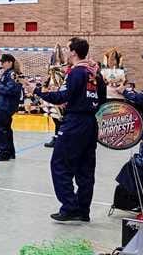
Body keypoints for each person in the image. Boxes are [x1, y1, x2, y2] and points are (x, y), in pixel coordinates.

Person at [26, 37, 106, 222]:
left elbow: (62, 96)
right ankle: (83, 210)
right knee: (85, 169)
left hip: (74, 123)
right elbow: (102, 100)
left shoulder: (76, 72)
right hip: (90, 123)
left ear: (74, 52)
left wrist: (37, 90)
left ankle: (70, 207)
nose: (66, 53)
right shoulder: (95, 73)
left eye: (68, 49)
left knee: (60, 164)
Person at [0, 54, 23, 161]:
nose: (2, 64)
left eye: (3, 62)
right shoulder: (7, 74)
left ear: (10, 62)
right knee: (6, 129)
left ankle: (4, 152)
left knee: (1, 130)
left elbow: (10, 90)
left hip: (6, 105)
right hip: (5, 105)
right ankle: (10, 152)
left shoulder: (12, 74)